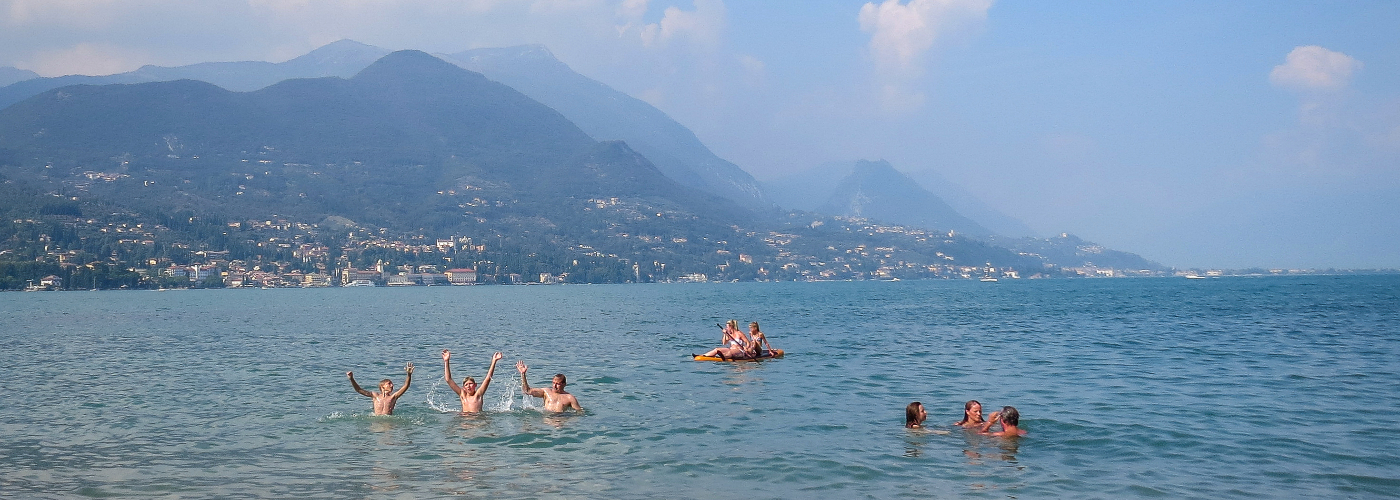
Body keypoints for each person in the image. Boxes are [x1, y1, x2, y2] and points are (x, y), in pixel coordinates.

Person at [347, 362, 414, 415]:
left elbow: (406, 386)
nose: (392, 385)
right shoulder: (375, 396)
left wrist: (409, 375)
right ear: (382, 386)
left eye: (392, 384)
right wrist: (351, 379)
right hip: (376, 420)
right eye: (389, 384)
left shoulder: (393, 397)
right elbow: (359, 390)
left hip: (388, 421)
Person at [516, 360, 582, 412]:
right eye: (553, 383)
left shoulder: (570, 398)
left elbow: (579, 412)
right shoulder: (546, 392)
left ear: (564, 384)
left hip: (561, 420)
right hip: (547, 422)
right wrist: (523, 374)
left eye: (558, 384)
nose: (554, 386)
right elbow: (527, 391)